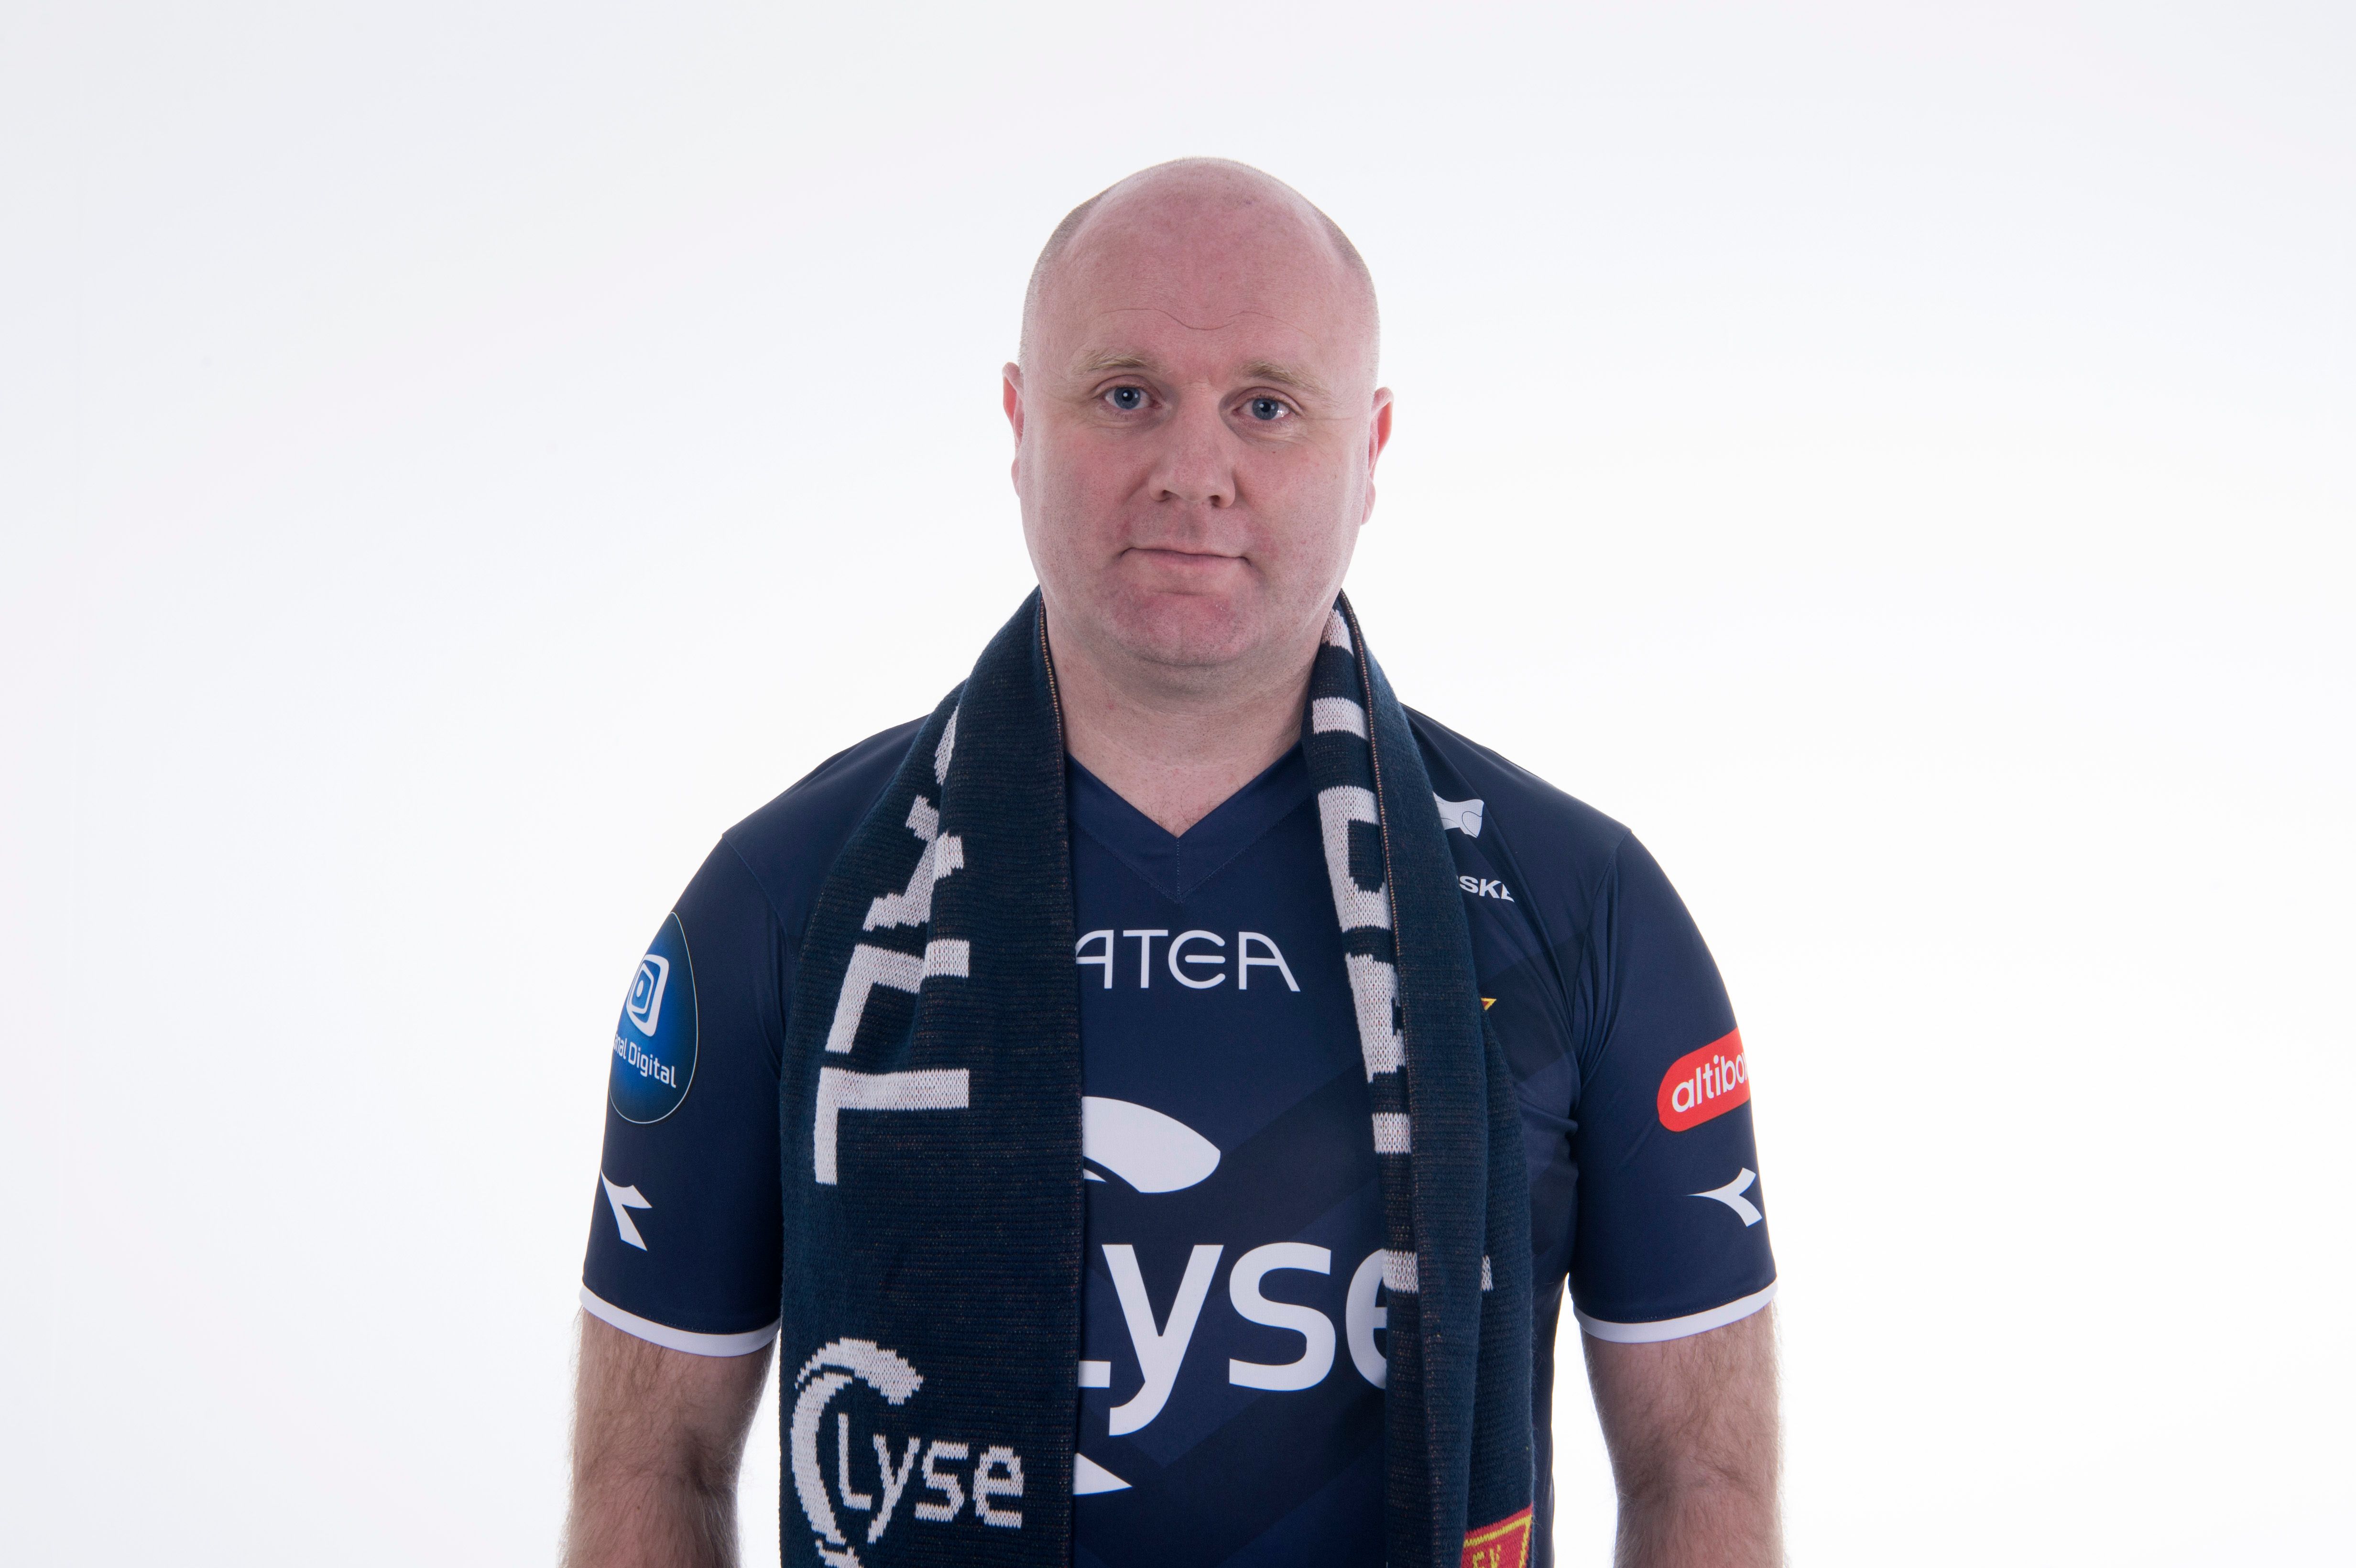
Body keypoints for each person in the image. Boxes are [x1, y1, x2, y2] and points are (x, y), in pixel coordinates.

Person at [565, 159, 1779, 1568]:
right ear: (1021, 422)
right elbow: (649, 1464)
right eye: (1128, 394)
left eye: (1267, 407)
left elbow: (1701, 1481)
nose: (1193, 472)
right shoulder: (784, 901)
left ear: (1371, 452)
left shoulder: (1583, 908)